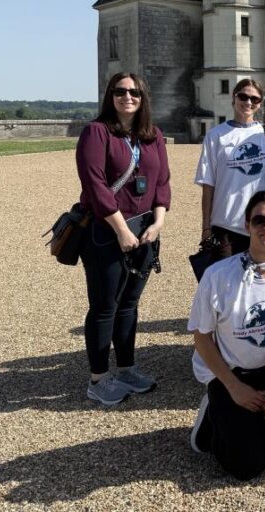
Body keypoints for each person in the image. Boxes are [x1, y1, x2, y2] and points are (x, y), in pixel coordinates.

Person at [188, 192, 265, 478]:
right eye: (260, 219)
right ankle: (210, 415)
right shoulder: (217, 276)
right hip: (230, 373)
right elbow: (201, 338)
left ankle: (242, 420)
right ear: (247, 225)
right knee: (246, 467)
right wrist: (232, 387)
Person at [75, 72, 171, 405]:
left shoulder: (153, 136)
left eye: (134, 92)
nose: (127, 97)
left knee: (129, 304)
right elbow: (95, 186)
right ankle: (98, 378)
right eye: (119, 91)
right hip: (107, 231)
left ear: (143, 98)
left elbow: (162, 183)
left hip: (146, 230)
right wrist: (121, 229)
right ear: (110, 96)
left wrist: (158, 223)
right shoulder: (96, 133)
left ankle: (127, 368)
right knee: (104, 307)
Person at [194, 79, 265, 259]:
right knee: (225, 284)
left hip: (260, 222)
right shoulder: (216, 135)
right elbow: (208, 185)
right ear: (234, 98)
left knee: (259, 282)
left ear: (259, 104)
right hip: (225, 224)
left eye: (254, 99)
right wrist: (205, 227)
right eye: (243, 96)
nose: (248, 102)